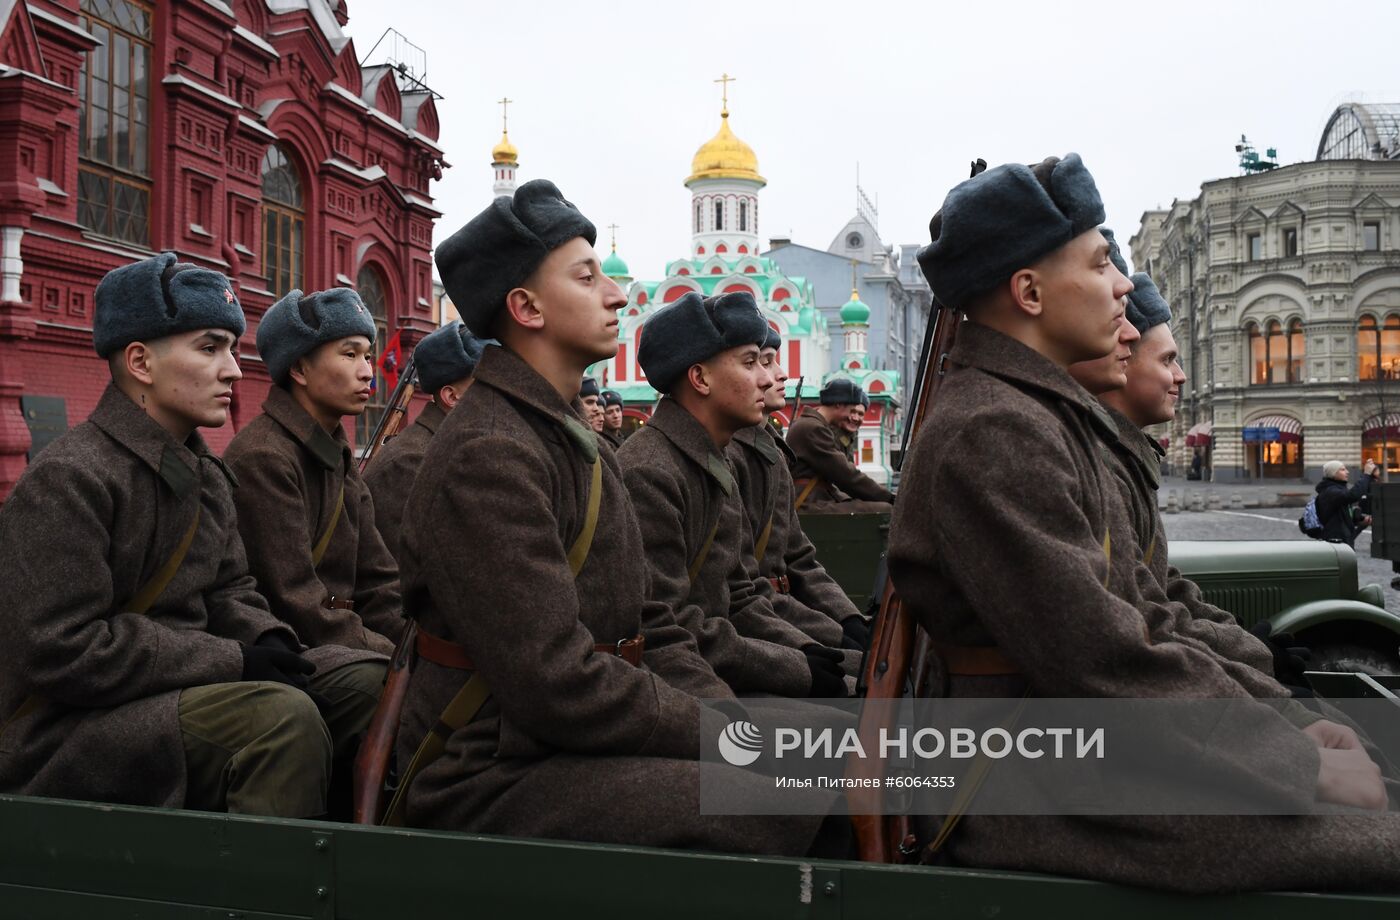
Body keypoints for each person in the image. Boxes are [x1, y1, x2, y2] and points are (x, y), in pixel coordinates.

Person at [890, 153, 1400, 893]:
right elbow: (1108, 658)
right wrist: (1299, 762)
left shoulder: (1035, 418)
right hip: (1018, 780)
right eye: (1100, 265)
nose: (1124, 286)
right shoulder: (994, 431)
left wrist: (1286, 728)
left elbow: (1150, 613)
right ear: (1029, 292)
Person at [395, 178, 829, 855]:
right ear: (526, 307)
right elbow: (556, 684)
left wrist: (733, 724)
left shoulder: (577, 441)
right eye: (587, 276)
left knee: (824, 760)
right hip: (486, 770)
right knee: (782, 794)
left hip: (560, 744)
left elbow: (651, 626)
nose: (618, 294)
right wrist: (727, 736)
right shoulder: (489, 454)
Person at [0, 254, 335, 817]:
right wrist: (232, 660)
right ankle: (255, 901)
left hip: (166, 696)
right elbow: (62, 651)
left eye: (231, 347)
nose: (233, 370)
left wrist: (269, 637)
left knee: (353, 689)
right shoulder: (69, 479)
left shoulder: (203, 472)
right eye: (210, 348)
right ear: (140, 362)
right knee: (280, 722)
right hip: (58, 734)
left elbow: (229, 590)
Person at [222, 287, 404, 811]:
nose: (367, 370)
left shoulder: (334, 452)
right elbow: (296, 603)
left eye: (369, 355)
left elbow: (379, 583)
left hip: (337, 644)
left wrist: (423, 649)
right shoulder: (264, 457)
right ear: (299, 369)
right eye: (349, 355)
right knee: (384, 687)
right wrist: (395, 658)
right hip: (294, 653)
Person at [618, 291, 851, 697]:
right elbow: (667, 630)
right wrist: (798, 666)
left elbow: (741, 595)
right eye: (750, 362)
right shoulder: (651, 471)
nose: (767, 377)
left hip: (725, 658)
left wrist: (828, 642)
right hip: (683, 685)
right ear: (701, 379)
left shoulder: (709, 457)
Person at [727, 326, 871, 653]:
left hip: (779, 613)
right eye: (758, 362)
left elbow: (798, 556)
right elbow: (740, 592)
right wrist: (822, 643)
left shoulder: (768, 449)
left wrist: (847, 618)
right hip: (758, 631)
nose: (777, 376)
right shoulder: (732, 454)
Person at [364, 320, 487, 565]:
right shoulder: (410, 464)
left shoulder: (451, 450)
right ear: (452, 397)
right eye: (486, 384)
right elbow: (403, 573)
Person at [786, 378, 894, 511]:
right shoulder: (813, 428)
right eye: (851, 410)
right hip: (809, 504)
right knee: (886, 509)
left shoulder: (813, 425)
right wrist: (890, 498)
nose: (851, 416)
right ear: (838, 404)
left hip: (817, 499)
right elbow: (846, 475)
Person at [1315, 459, 1377, 548]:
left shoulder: (1337, 489)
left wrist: (1359, 521)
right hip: (1335, 541)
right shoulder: (1330, 491)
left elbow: (1341, 515)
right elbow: (1353, 495)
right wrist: (1366, 474)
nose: (1347, 472)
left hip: (1342, 539)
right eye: (1343, 470)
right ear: (1333, 473)